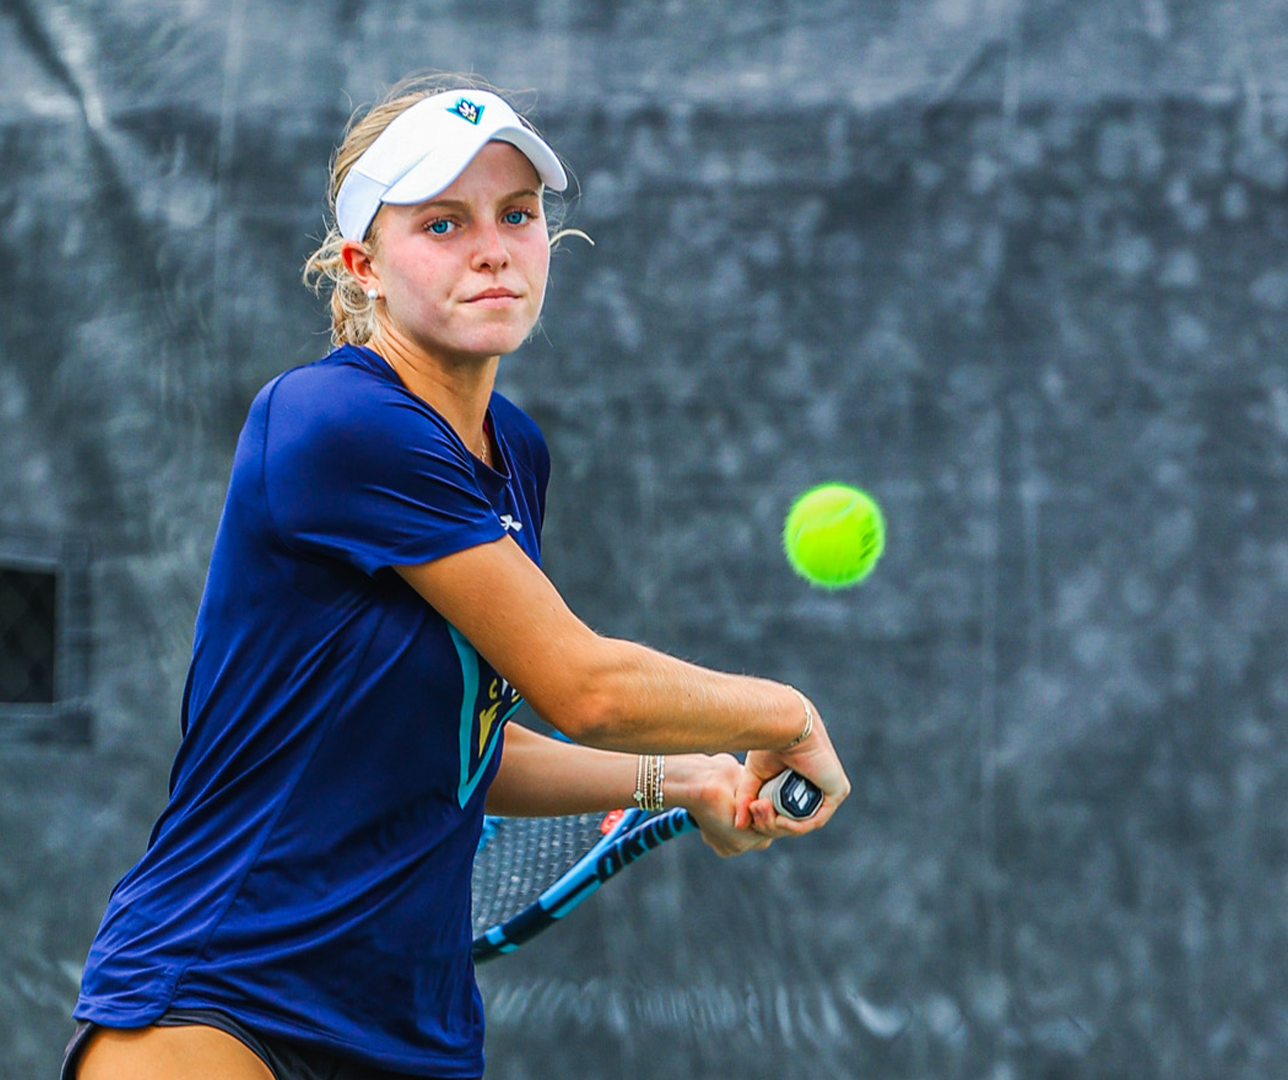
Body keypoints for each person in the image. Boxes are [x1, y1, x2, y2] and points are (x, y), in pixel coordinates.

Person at [66, 75, 851, 1080]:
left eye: (517, 215)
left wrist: (683, 776)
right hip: (223, 997)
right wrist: (782, 714)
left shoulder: (512, 452)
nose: (493, 246)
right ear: (364, 266)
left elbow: (465, 747)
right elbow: (589, 689)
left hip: (413, 1027)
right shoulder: (332, 420)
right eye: (442, 223)